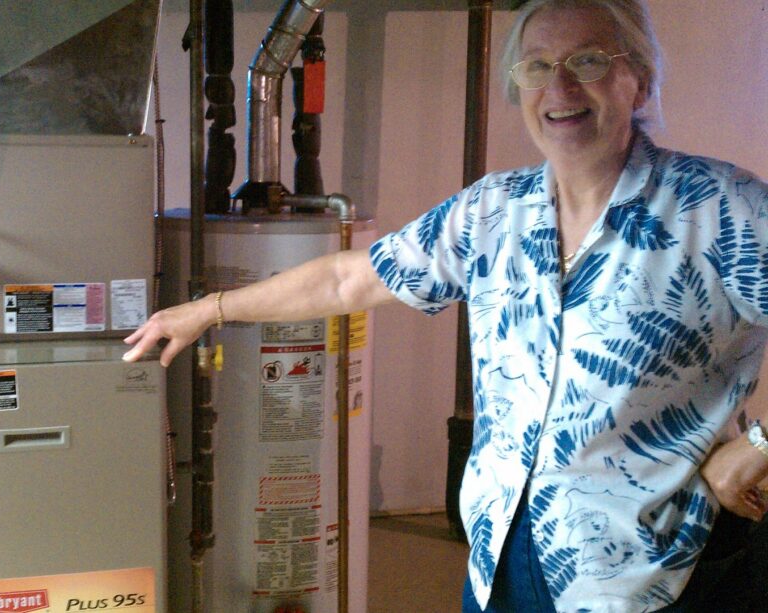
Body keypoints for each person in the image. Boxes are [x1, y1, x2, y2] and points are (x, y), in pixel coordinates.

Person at [124, 0, 768, 610]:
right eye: (538, 65)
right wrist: (208, 309)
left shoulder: (719, 207)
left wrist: (758, 444)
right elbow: (352, 281)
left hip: (654, 562)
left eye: (590, 60)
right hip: (505, 549)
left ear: (640, 78)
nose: (561, 87)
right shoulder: (496, 209)